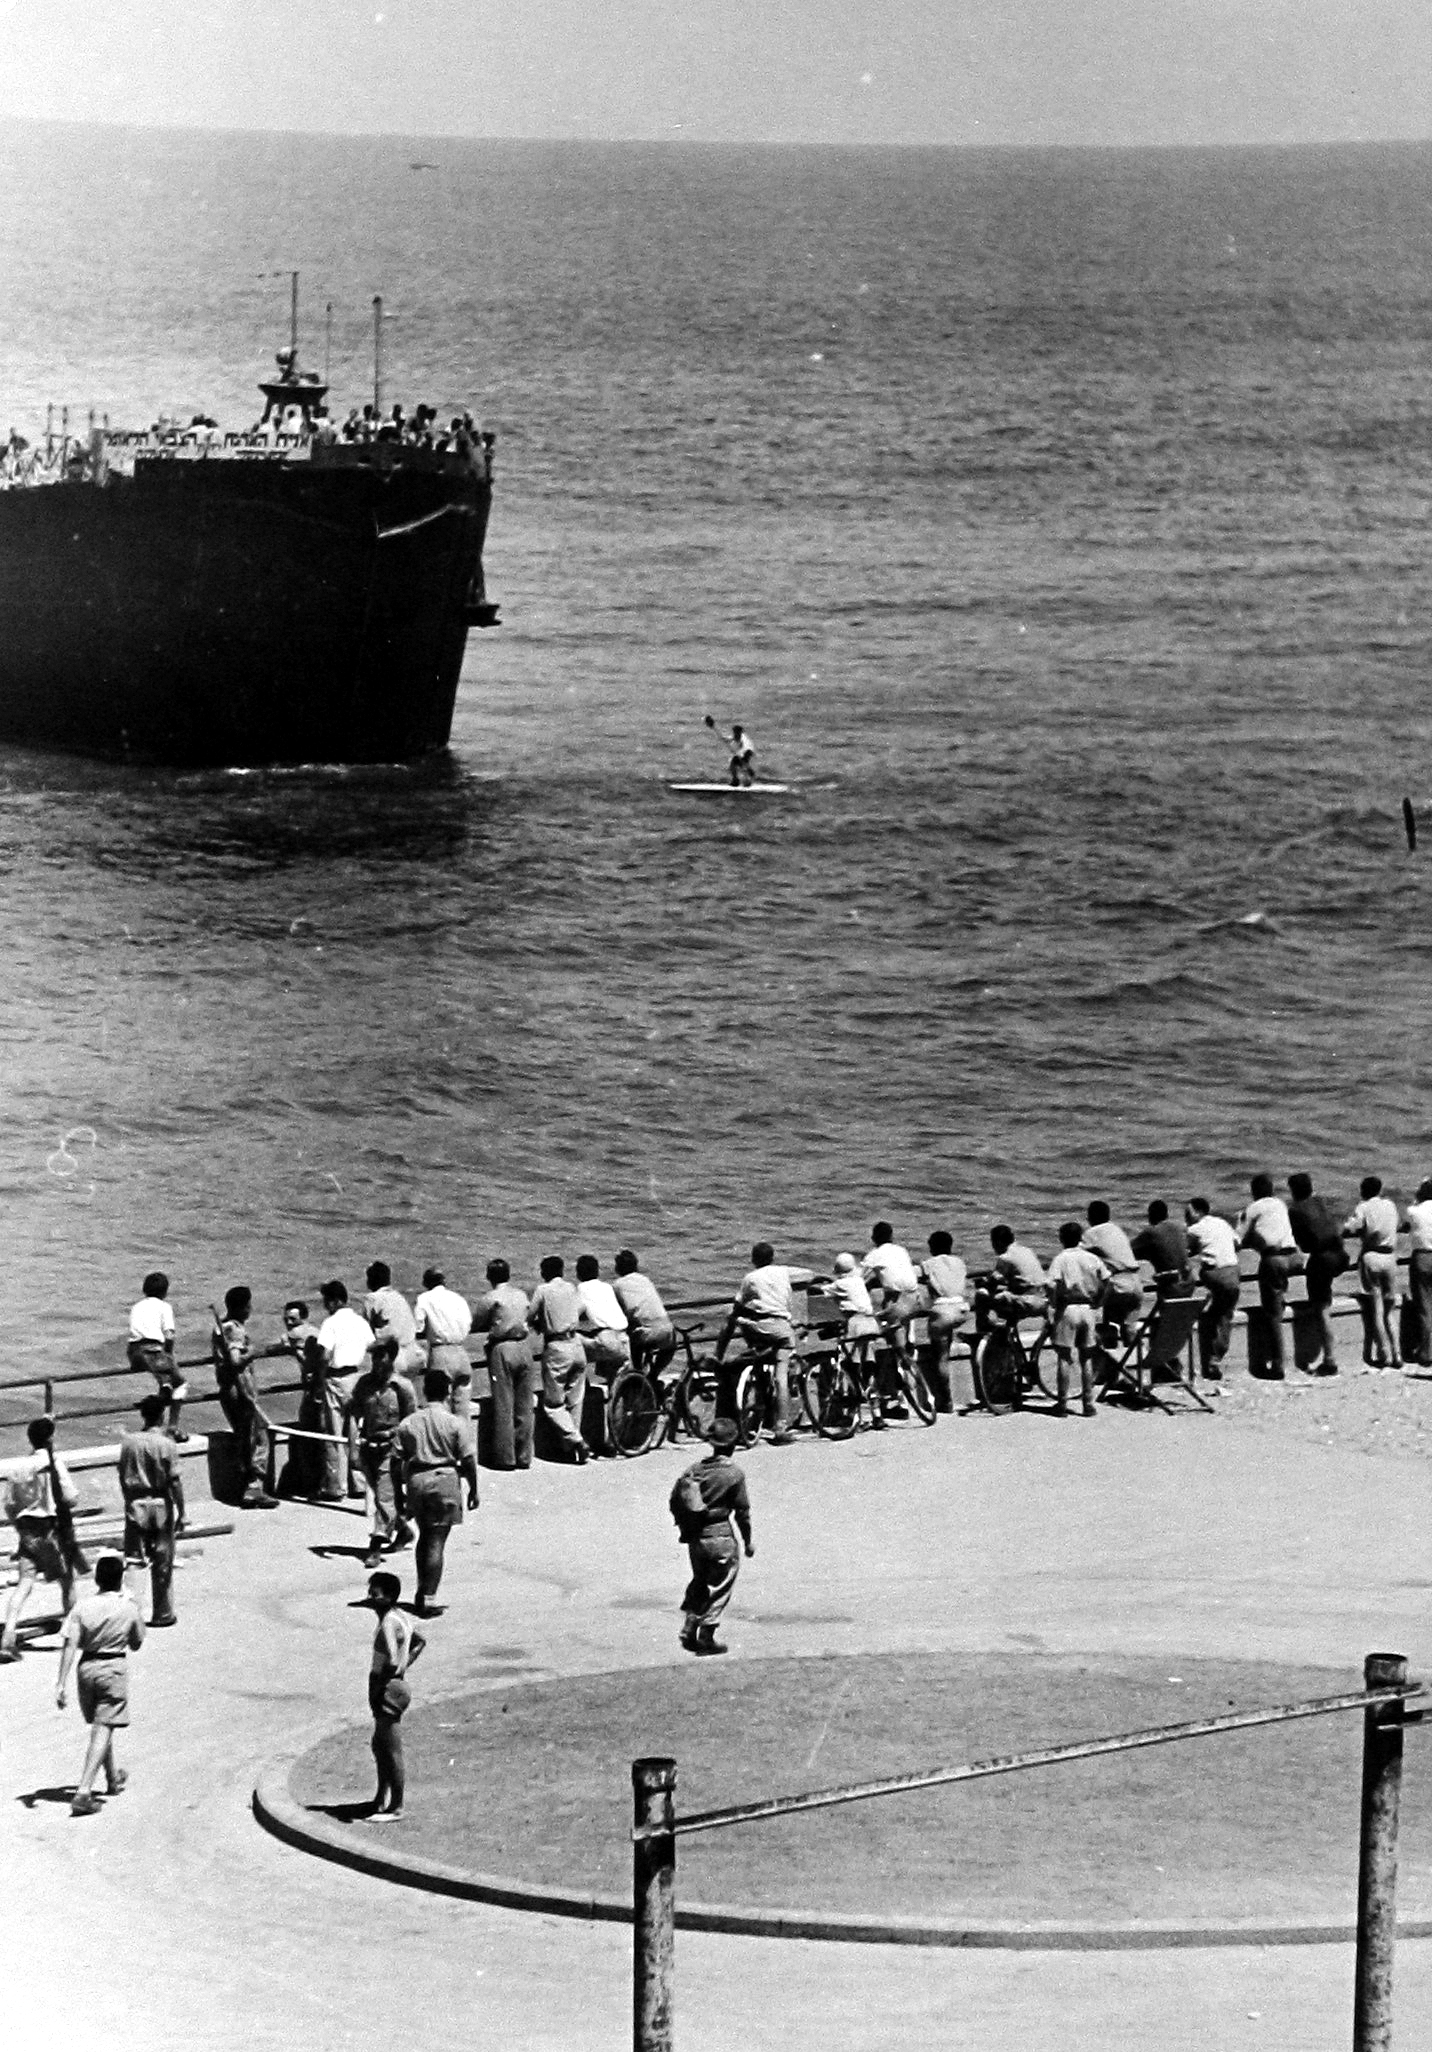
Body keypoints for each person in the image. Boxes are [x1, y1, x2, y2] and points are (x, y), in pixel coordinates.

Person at [55, 1553, 144, 1817]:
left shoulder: (82, 1607)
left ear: (97, 1579)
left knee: (101, 1724)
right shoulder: (128, 1607)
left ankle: (113, 1778)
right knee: (104, 1726)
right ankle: (83, 1792)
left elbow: (70, 1644)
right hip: (112, 1668)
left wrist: (60, 1683)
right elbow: (137, 1642)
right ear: (120, 1580)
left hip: (86, 1669)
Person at [715, 1242, 815, 1445]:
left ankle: (719, 1355)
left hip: (759, 1329)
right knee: (781, 1378)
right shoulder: (783, 1273)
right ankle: (781, 1428)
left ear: (754, 1259)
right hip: (783, 1329)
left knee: (732, 1317)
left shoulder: (751, 1278)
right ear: (772, 1257)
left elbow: (738, 1305)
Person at [396, 1369, 478, 1616]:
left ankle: (422, 1589)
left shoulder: (409, 1423)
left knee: (424, 1536)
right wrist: (474, 1489)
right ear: (448, 1392)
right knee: (436, 1541)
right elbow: (468, 1459)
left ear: (425, 1391)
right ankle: (428, 1598)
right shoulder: (455, 1423)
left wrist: (398, 1491)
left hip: (417, 1480)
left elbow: (395, 1459)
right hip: (444, 1480)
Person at [669, 1416, 753, 1655]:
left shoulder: (694, 1470)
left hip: (696, 1537)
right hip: (720, 1534)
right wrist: (747, 1541)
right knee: (722, 1585)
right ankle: (707, 1634)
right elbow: (742, 1513)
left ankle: (690, 1623)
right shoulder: (734, 1474)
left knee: (700, 1580)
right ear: (733, 1443)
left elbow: (677, 1499)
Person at [1, 1417, 83, 1660]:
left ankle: (8, 1634)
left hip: (28, 1529)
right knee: (67, 1582)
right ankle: (72, 1634)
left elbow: (10, 1505)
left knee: (25, 1583)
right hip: (51, 1528)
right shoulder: (53, 1464)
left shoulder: (19, 1467)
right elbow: (70, 1498)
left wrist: (19, 1525)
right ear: (50, 1438)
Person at [117, 1393, 185, 1626]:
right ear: (162, 1415)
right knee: (163, 1559)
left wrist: (128, 1500)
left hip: (136, 1502)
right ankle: (163, 1613)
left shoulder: (128, 1443)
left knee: (135, 1559)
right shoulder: (167, 1444)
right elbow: (174, 1481)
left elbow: (121, 1475)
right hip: (160, 1502)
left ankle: (132, 1614)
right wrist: (182, 1511)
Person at [362, 1570, 425, 1820]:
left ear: (388, 1597)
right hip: (396, 1684)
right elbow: (419, 1642)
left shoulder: (389, 1621)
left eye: (375, 1594)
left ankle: (396, 1806)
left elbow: (390, 1657)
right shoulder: (401, 1617)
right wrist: (404, 1666)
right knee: (380, 1745)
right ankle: (380, 1798)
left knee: (390, 1749)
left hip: (387, 1686)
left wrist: (381, 1685)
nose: (370, 1598)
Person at [350, 1337, 417, 1567]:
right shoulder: (364, 1384)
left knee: (384, 1496)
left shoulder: (402, 1387)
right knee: (385, 1495)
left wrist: (407, 1451)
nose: (377, 1361)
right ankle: (403, 1530)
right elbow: (354, 1415)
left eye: (382, 1356)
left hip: (392, 1449)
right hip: (369, 1448)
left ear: (392, 1357)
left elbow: (411, 1422)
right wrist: (353, 1449)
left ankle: (375, 1546)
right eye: (374, 1356)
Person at [212, 1287, 279, 1508]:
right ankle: (254, 1486)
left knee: (244, 1438)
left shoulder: (221, 1327)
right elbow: (235, 1359)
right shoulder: (235, 1330)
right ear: (243, 1307)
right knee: (259, 1437)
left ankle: (248, 1486)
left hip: (227, 1389)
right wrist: (252, 1352)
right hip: (240, 1390)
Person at [471, 1258, 537, 1470]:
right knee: (525, 1405)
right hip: (524, 1347)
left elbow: (477, 1322)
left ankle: (506, 1458)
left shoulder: (491, 1297)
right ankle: (524, 1455)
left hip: (502, 1348)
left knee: (504, 1405)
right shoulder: (521, 1294)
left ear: (489, 1277)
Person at [1237, 1173, 1302, 1379]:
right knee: (1278, 1299)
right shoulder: (1280, 1204)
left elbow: (1238, 1238)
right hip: (1294, 1258)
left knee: (1273, 1315)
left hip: (1274, 1259)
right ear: (1272, 1190)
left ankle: (1277, 1364)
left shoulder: (1253, 1208)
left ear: (1253, 1192)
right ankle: (1279, 1300)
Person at [527, 1255, 591, 1463]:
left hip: (557, 1347)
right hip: (576, 1344)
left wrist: (542, 1322)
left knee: (553, 1404)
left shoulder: (543, 1290)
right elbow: (582, 1308)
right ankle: (571, 1450)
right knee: (575, 1400)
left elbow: (529, 1315)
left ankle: (576, 1440)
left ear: (544, 1272)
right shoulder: (571, 1288)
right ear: (562, 1271)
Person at [318, 1279, 377, 1494]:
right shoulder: (360, 1321)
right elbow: (372, 1345)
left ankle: (336, 1485)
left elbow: (325, 1355)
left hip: (335, 1378)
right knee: (355, 1431)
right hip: (356, 1377)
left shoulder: (330, 1323)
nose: (325, 1306)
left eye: (327, 1301)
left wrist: (319, 1378)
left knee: (334, 1432)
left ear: (334, 1301)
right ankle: (359, 1482)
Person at [1287, 1173, 1350, 1376]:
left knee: (1321, 1307)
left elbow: (1304, 1244)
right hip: (1340, 1255)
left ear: (1293, 1191)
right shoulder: (1319, 1202)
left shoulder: (1295, 1210)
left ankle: (1330, 1359)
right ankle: (1329, 1355)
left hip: (1321, 1260)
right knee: (1325, 1302)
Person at [1044, 1222, 1109, 1417]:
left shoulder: (1061, 1259)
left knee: (1064, 1357)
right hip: (1087, 1309)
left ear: (1062, 1239)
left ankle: (1062, 1403)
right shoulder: (1092, 1258)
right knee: (1086, 1358)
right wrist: (1099, 1300)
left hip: (1068, 1308)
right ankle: (1088, 1403)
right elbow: (1107, 1279)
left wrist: (1054, 1303)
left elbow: (1050, 1284)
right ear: (1080, 1237)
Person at [1342, 1175, 1403, 1371]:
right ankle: (1397, 1353)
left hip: (1372, 1256)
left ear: (1363, 1191)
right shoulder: (1390, 1205)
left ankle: (1384, 1353)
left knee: (1377, 1307)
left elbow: (1352, 1227)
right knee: (1390, 1308)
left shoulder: (1363, 1207)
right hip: (1390, 1257)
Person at [1185, 1198, 1241, 1381]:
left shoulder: (1194, 1229)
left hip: (1214, 1274)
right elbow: (1238, 1243)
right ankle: (1215, 1359)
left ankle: (1210, 1362)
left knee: (1212, 1316)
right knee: (1224, 1314)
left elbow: (1183, 1249)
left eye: (1188, 1213)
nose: (1186, 1217)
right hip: (1233, 1272)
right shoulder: (1222, 1223)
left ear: (1198, 1212)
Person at [127, 1270, 186, 1439]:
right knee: (180, 1384)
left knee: (165, 1382)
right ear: (165, 1291)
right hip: (152, 1351)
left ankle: (153, 1418)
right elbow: (169, 1335)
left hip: (134, 1352)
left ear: (144, 1289)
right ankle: (172, 1427)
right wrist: (169, 1355)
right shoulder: (164, 1307)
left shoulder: (136, 1306)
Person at [413, 1266, 475, 1421]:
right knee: (462, 1408)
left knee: (441, 1406)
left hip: (440, 1352)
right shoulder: (458, 1298)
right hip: (460, 1352)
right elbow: (468, 1323)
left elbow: (418, 1326)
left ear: (426, 1283)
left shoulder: (424, 1299)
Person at [917, 1231, 969, 1413]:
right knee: (948, 1340)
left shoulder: (928, 1264)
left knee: (941, 1357)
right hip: (961, 1309)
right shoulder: (959, 1262)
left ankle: (946, 1401)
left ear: (932, 1247)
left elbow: (910, 1276)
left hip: (942, 1311)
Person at [860, 1222, 922, 1367]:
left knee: (880, 1322)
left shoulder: (874, 1255)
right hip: (916, 1299)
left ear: (874, 1238)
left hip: (898, 1303)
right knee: (900, 1312)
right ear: (891, 1236)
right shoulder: (901, 1250)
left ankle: (902, 1357)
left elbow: (858, 1278)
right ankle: (910, 1340)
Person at [1082, 1202, 1144, 1344]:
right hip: (1136, 1282)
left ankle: (1107, 1346)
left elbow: (1076, 1254)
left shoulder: (1091, 1233)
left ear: (1090, 1217)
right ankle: (1135, 1354)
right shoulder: (1117, 1230)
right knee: (1129, 1329)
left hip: (1118, 1283)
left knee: (1099, 1317)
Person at [612, 1250, 677, 1379]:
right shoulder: (645, 1280)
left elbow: (617, 1311)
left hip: (646, 1333)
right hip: (667, 1329)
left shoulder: (617, 1285)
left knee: (634, 1342)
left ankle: (637, 1374)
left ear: (618, 1267)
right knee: (669, 1349)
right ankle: (654, 1375)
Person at [364, 1262, 424, 1387]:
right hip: (414, 1353)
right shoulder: (399, 1297)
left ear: (372, 1280)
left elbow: (366, 1331)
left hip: (394, 1356)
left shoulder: (372, 1298)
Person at [574, 1254, 632, 1381]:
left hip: (607, 1342)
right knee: (614, 1375)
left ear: (578, 1273)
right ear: (597, 1271)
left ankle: (580, 1386)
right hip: (624, 1341)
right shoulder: (607, 1287)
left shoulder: (582, 1288)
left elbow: (572, 1316)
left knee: (570, 1343)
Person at [981, 1224, 1045, 1327]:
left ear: (998, 1242)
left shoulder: (1005, 1257)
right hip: (1043, 1300)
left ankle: (984, 1329)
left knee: (982, 1296)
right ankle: (1010, 1328)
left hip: (1028, 1303)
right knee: (1010, 1293)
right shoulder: (1027, 1250)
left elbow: (992, 1283)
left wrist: (984, 1283)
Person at [1130, 1202, 1192, 1295]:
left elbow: (1127, 1250)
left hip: (1171, 1286)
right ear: (1167, 1215)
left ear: (1150, 1216)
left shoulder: (1151, 1232)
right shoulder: (1178, 1228)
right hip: (1189, 1284)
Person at [1404, 1178, 1432, 1369]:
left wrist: (1416, 1201)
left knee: (1424, 1306)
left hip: (1422, 1257)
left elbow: (1406, 1220)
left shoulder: (1414, 1211)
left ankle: (1427, 1351)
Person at [723, 722, 756, 788]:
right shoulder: (740, 735)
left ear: (739, 732)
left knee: (736, 762)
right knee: (739, 764)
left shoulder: (743, 738)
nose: (734, 733)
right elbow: (734, 738)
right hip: (745, 752)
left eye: (735, 732)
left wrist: (741, 755)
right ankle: (739, 779)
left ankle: (740, 779)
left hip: (747, 751)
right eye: (734, 732)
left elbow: (745, 747)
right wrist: (727, 739)